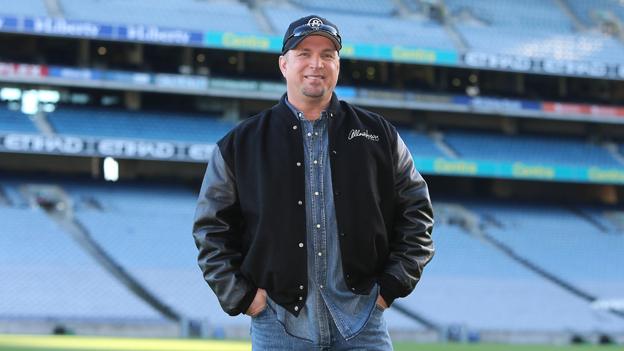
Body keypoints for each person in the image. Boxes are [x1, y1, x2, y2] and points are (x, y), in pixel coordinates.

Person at [192, 14, 434, 350]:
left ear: (338, 65)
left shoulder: (379, 135)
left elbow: (417, 213)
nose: (315, 64)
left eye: (327, 54)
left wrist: (391, 286)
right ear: (283, 64)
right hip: (278, 325)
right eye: (304, 53)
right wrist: (246, 298)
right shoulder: (239, 144)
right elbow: (210, 230)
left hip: (362, 321)